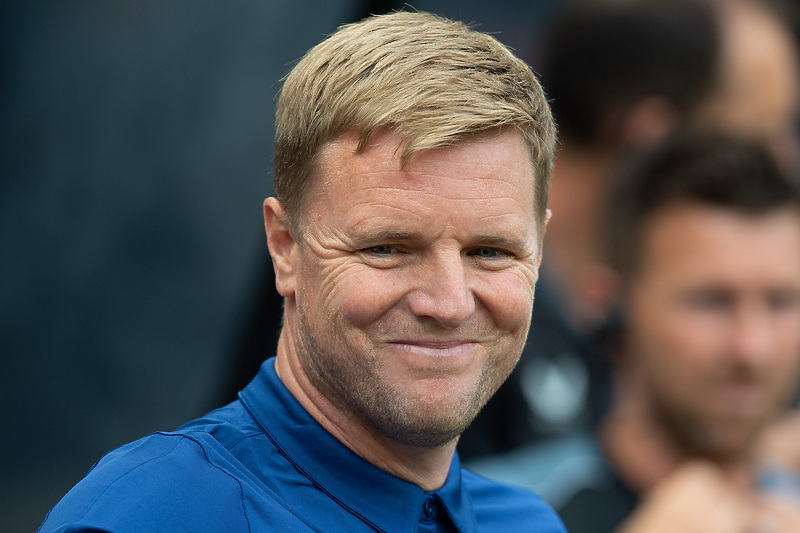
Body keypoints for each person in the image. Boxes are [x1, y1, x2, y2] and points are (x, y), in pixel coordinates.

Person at [38, 11, 565, 533]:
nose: (450, 304)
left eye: (490, 252)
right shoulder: (149, 517)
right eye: (387, 248)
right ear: (284, 247)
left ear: (538, 252)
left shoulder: (528, 523)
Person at [458, 0, 800, 461]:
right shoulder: (455, 310)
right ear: (651, 132)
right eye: (761, 135)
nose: (783, 163)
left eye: (779, 303)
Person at [473, 130, 800, 532]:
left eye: (782, 301)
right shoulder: (488, 512)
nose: (751, 347)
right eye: (710, 301)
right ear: (610, 305)